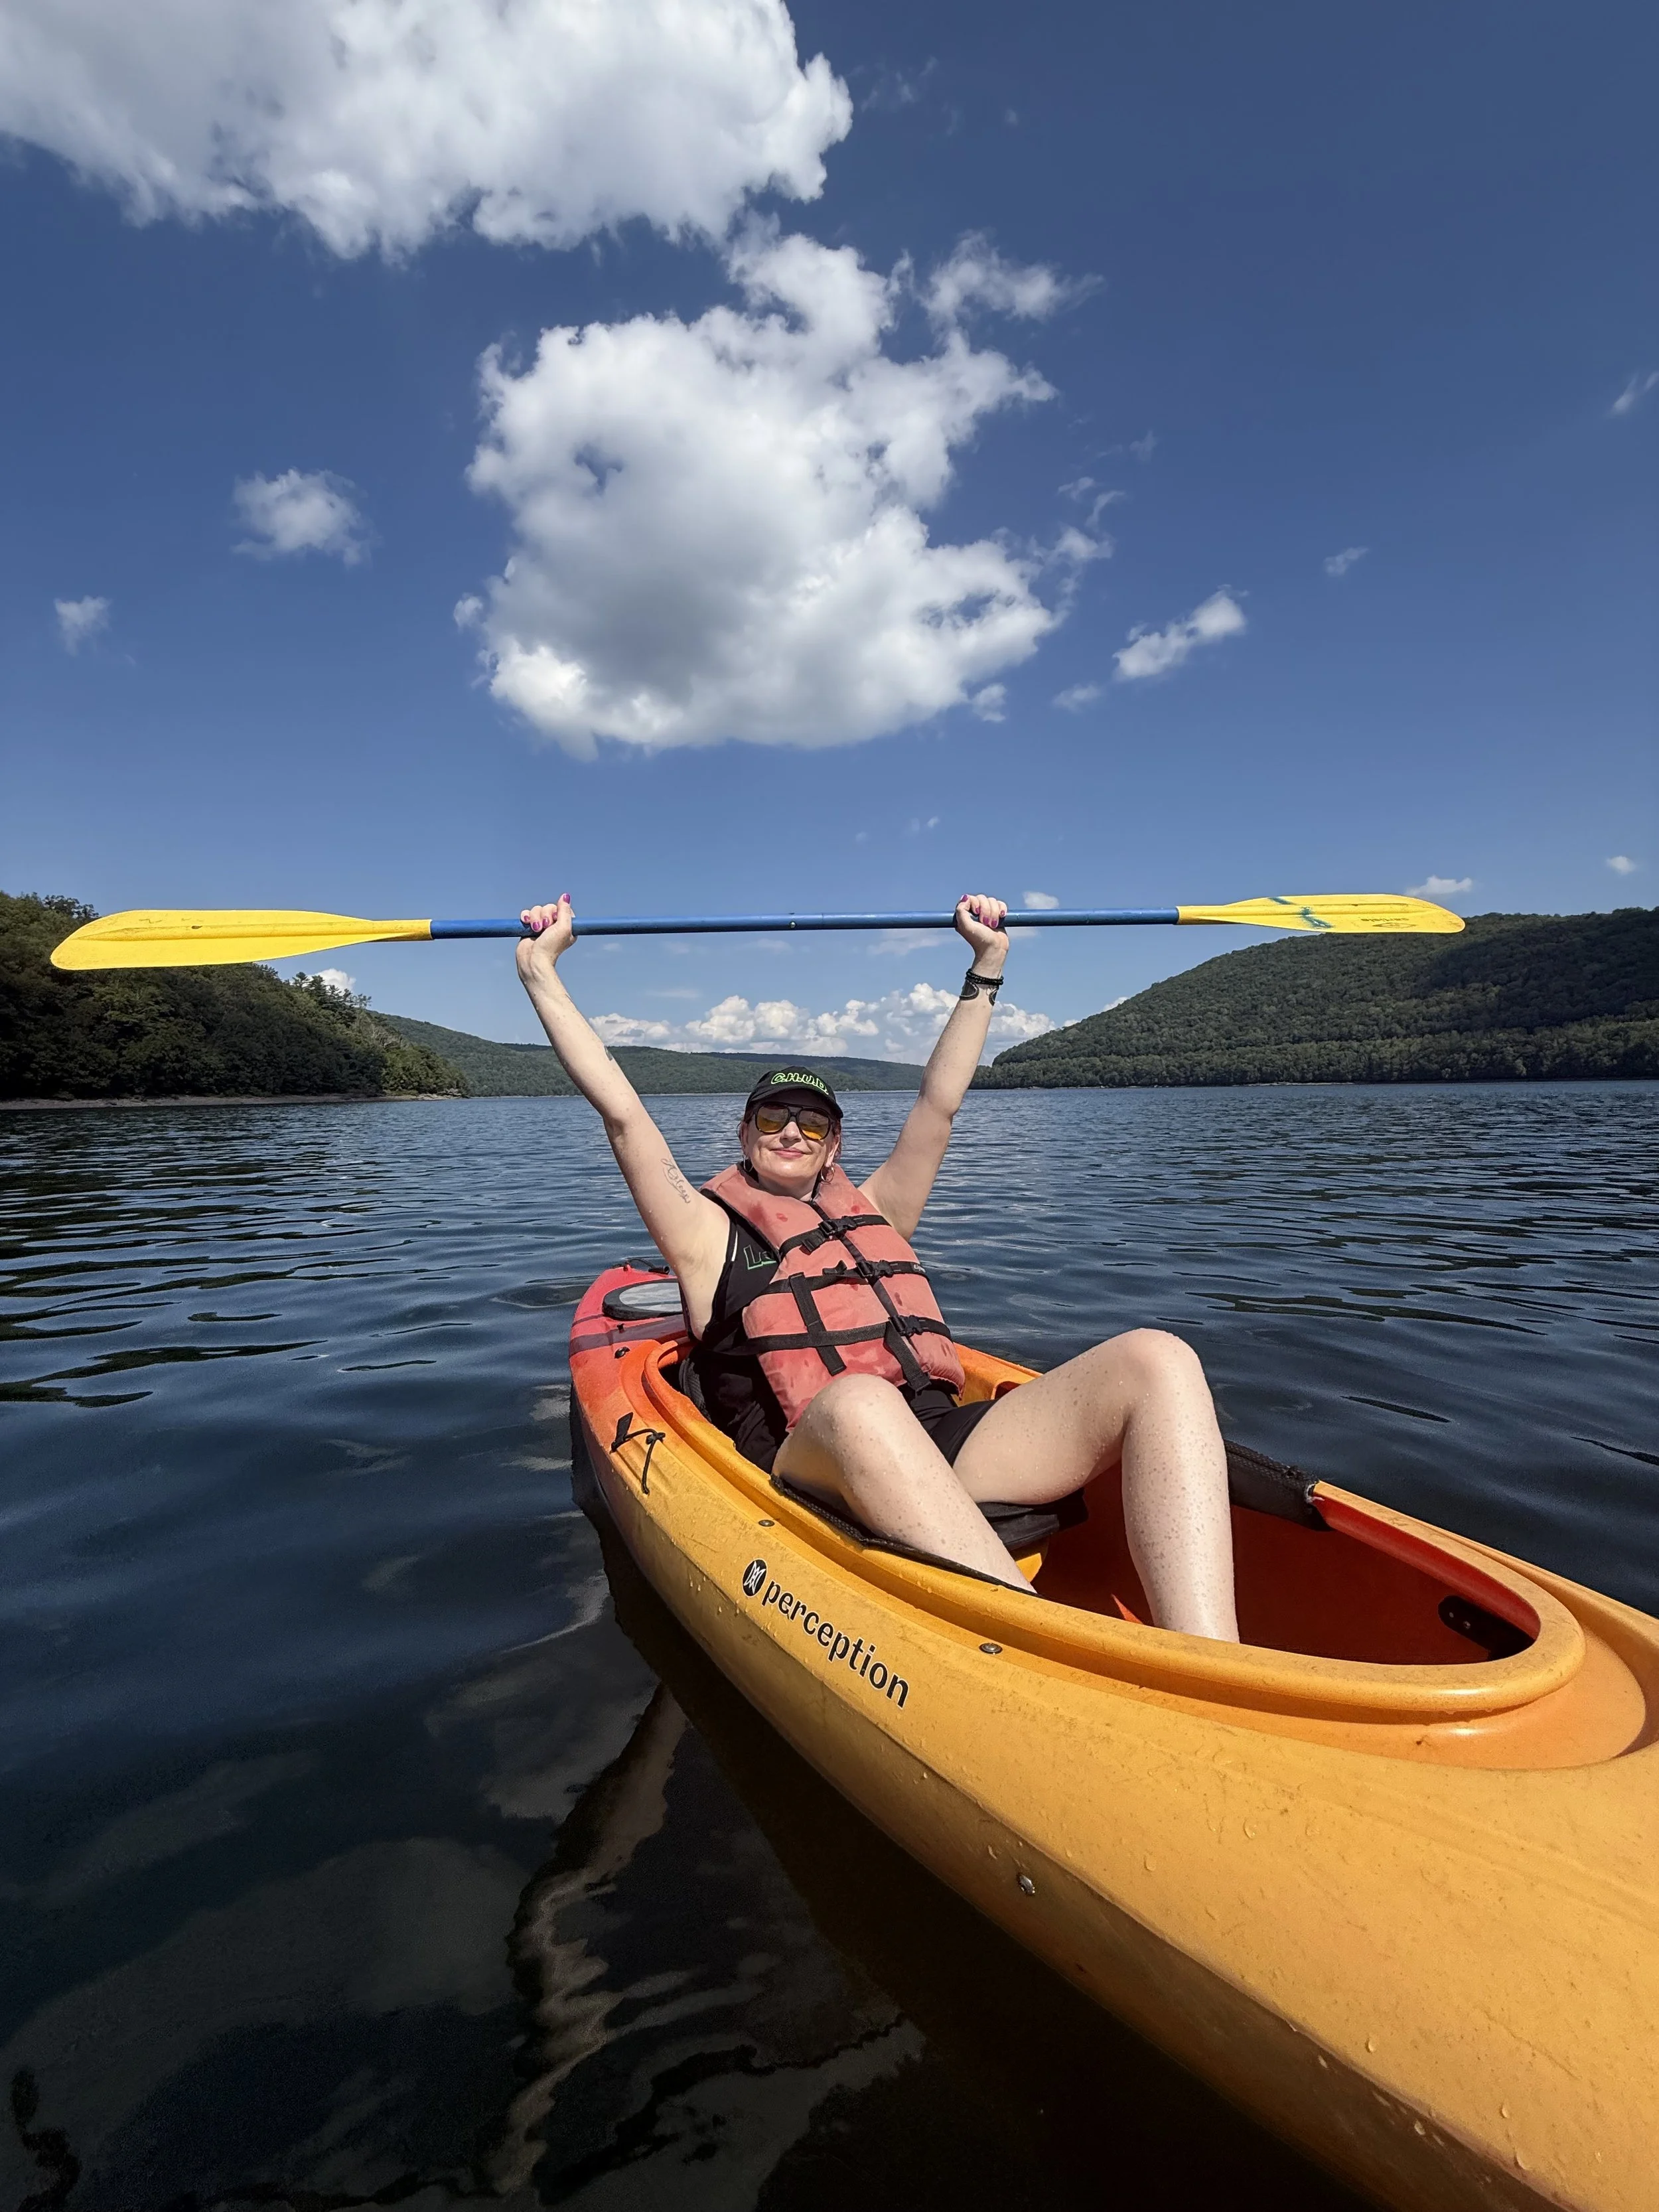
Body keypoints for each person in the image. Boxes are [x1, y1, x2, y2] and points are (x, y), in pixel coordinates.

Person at [518, 892, 1239, 1641]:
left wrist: (986, 967)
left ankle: (1215, 1657)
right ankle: (1034, 1645)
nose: (791, 1131)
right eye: (772, 1118)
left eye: (812, 1123)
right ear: (744, 1134)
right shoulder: (704, 1236)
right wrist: (541, 971)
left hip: (938, 1447)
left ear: (832, 1146)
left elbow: (939, 1104)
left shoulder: (878, 1210)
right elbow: (624, 1114)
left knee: (1157, 1359)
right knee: (861, 1401)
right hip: (811, 1463)